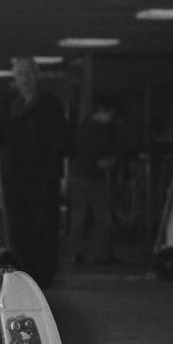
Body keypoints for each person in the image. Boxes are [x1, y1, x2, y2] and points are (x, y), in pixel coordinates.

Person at [0, 57, 70, 286]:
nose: (25, 79)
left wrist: (54, 173)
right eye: (20, 74)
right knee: (19, 224)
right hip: (16, 175)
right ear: (15, 78)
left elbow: (60, 141)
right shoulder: (10, 103)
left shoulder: (51, 104)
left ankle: (44, 272)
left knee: (43, 225)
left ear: (37, 75)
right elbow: (3, 134)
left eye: (28, 74)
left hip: (43, 176)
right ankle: (23, 270)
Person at [68, 97, 121, 265]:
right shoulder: (100, 130)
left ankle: (76, 253)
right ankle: (102, 253)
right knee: (100, 215)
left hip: (82, 174)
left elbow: (79, 150)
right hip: (92, 175)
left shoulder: (84, 128)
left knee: (80, 216)